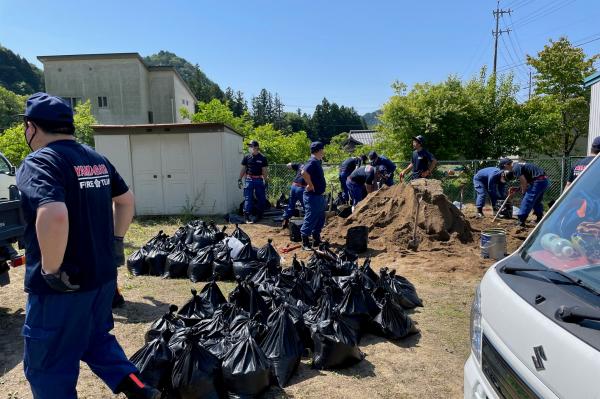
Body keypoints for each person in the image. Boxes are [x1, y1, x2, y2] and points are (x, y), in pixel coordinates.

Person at [16, 92, 159, 398]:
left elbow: (53, 214)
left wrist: (52, 270)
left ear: (31, 126)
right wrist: (117, 241)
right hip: (101, 278)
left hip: (62, 288)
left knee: (48, 366)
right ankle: (141, 390)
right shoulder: (95, 159)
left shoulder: (40, 162)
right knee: (96, 340)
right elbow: (126, 200)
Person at [503, 160, 550, 227]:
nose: (505, 169)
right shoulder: (519, 165)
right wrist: (517, 189)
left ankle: (520, 221)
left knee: (527, 200)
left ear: (506, 165)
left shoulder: (515, 167)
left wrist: (523, 192)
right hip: (543, 180)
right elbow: (526, 183)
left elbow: (523, 182)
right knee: (536, 201)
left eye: (504, 168)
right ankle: (539, 218)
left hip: (538, 181)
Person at [300, 142, 326, 250]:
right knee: (310, 217)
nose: (323, 152)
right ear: (319, 150)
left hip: (318, 195)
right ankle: (305, 242)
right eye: (323, 150)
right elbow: (303, 172)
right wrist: (310, 185)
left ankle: (316, 239)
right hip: (312, 195)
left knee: (320, 217)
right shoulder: (313, 161)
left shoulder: (317, 162)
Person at [238, 140, 268, 224]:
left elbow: (264, 170)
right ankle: (247, 216)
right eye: (250, 146)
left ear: (256, 147)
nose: (250, 148)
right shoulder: (247, 157)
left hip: (259, 180)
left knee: (261, 198)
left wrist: (266, 181)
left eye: (251, 146)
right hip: (249, 180)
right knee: (248, 198)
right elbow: (243, 168)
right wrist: (239, 179)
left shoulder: (262, 158)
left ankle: (259, 215)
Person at [281, 162, 306, 228]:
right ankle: (307, 224)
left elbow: (288, 165)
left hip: (294, 186)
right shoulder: (312, 167)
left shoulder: (300, 164)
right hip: (302, 188)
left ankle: (285, 220)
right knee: (306, 207)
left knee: (291, 205)